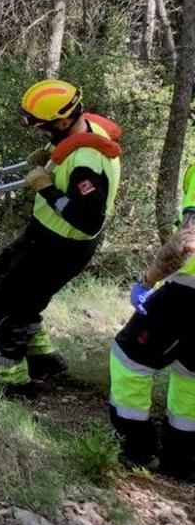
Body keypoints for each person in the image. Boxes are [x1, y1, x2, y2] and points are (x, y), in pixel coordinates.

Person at [0, 79, 121, 395]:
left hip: (63, 245)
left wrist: (46, 188)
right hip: (46, 233)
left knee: (6, 307)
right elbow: (67, 146)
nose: (41, 132)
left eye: (44, 128)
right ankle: (41, 355)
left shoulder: (86, 163)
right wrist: (50, 153)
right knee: (4, 269)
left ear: (63, 121)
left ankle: (12, 386)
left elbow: (88, 221)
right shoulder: (85, 128)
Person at [107, 163, 195, 481]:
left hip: (187, 294)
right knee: (191, 374)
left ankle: (137, 447)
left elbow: (186, 243)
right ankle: (181, 458)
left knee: (128, 358)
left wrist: (147, 281)